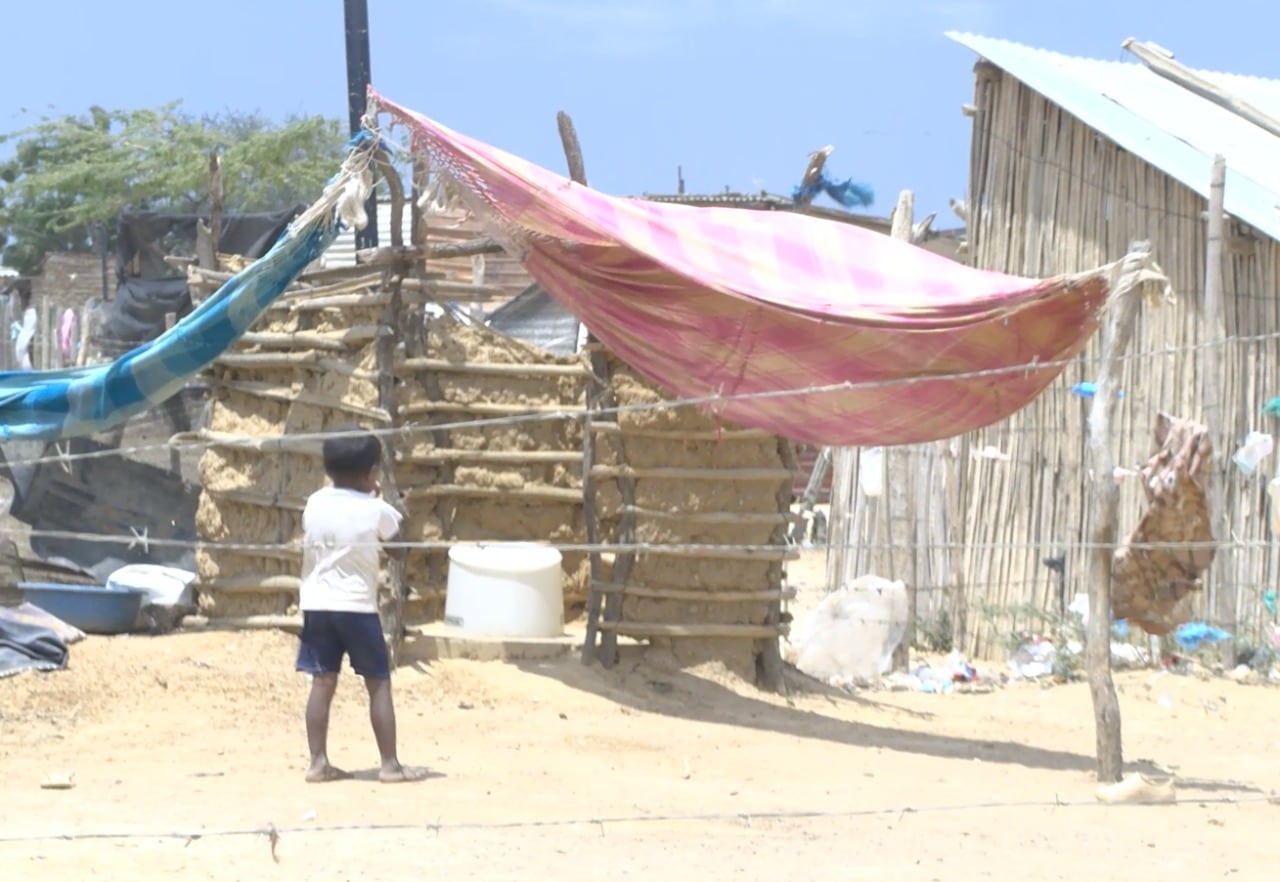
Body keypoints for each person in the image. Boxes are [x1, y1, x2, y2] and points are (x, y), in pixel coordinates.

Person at [295, 426, 426, 784]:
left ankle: (318, 763)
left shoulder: (315, 502)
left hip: (317, 605)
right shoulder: (376, 509)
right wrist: (382, 505)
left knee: (321, 682)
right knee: (378, 683)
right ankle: (389, 765)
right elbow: (399, 551)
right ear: (371, 473)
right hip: (357, 608)